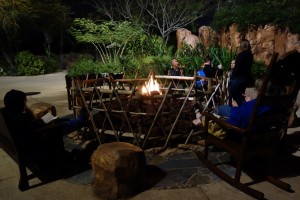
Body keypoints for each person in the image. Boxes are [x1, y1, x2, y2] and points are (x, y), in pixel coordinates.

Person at [3, 89, 89, 174]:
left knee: (59, 121)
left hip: (36, 139)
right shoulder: (21, 120)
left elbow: (34, 125)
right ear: (19, 104)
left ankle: (78, 119)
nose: (26, 105)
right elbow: (36, 133)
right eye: (24, 102)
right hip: (40, 146)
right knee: (60, 126)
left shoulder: (11, 115)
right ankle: (81, 120)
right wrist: (46, 127)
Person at [229, 39, 254, 106]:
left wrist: (233, 73)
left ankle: (237, 105)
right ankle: (242, 104)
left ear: (242, 46)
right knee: (240, 92)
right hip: (247, 77)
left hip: (240, 78)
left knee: (232, 89)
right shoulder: (250, 55)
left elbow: (237, 68)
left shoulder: (241, 55)